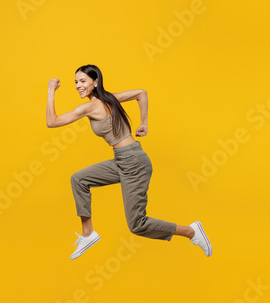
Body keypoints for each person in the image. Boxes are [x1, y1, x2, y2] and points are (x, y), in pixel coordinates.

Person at [46, 64, 212, 260]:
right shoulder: (110, 99)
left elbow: (52, 121)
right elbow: (141, 93)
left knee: (137, 225)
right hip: (124, 160)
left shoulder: (89, 106)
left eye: (83, 81)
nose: (78, 86)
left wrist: (51, 90)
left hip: (133, 162)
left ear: (95, 82)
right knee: (79, 179)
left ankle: (191, 231)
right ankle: (88, 234)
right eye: (76, 82)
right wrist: (144, 123)